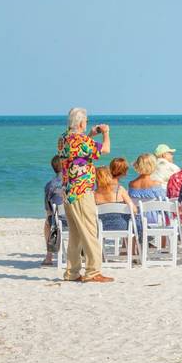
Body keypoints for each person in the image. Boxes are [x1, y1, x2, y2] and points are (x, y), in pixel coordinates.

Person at [57, 107, 113, 283]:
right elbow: (105, 150)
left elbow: (80, 148)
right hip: (81, 190)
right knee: (89, 230)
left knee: (75, 234)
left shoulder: (64, 138)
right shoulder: (80, 140)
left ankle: (72, 272)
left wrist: (90, 134)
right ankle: (93, 271)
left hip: (68, 190)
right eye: (86, 121)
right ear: (81, 122)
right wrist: (105, 133)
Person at [128, 153, 168, 238]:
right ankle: (162, 248)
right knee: (165, 213)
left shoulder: (131, 184)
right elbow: (164, 202)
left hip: (138, 219)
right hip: (154, 219)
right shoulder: (156, 185)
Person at [95, 166, 137, 247]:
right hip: (122, 226)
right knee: (134, 222)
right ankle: (130, 253)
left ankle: (101, 255)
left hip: (102, 227)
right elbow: (134, 209)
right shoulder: (120, 190)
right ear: (109, 176)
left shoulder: (93, 194)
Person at [42, 155, 64, 266]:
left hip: (58, 221)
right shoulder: (75, 183)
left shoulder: (50, 185)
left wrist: (48, 219)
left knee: (47, 224)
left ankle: (49, 257)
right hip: (76, 219)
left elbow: (48, 209)